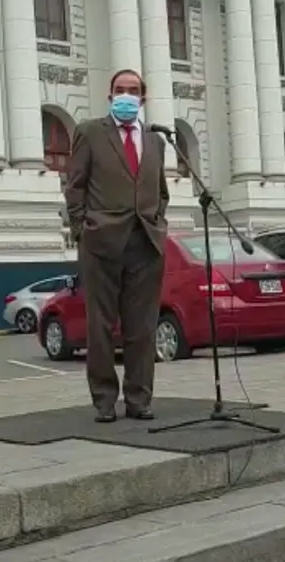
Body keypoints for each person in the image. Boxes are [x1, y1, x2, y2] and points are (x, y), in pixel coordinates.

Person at [63, 69, 169, 423]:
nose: (127, 96)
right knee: (101, 326)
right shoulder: (90, 132)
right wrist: (82, 229)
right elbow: (74, 185)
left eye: (133, 90)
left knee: (142, 328)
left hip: (146, 242)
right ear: (110, 97)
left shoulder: (155, 141)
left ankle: (139, 399)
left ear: (143, 98)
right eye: (120, 90)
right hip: (101, 242)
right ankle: (104, 400)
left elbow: (160, 191)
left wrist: (158, 223)